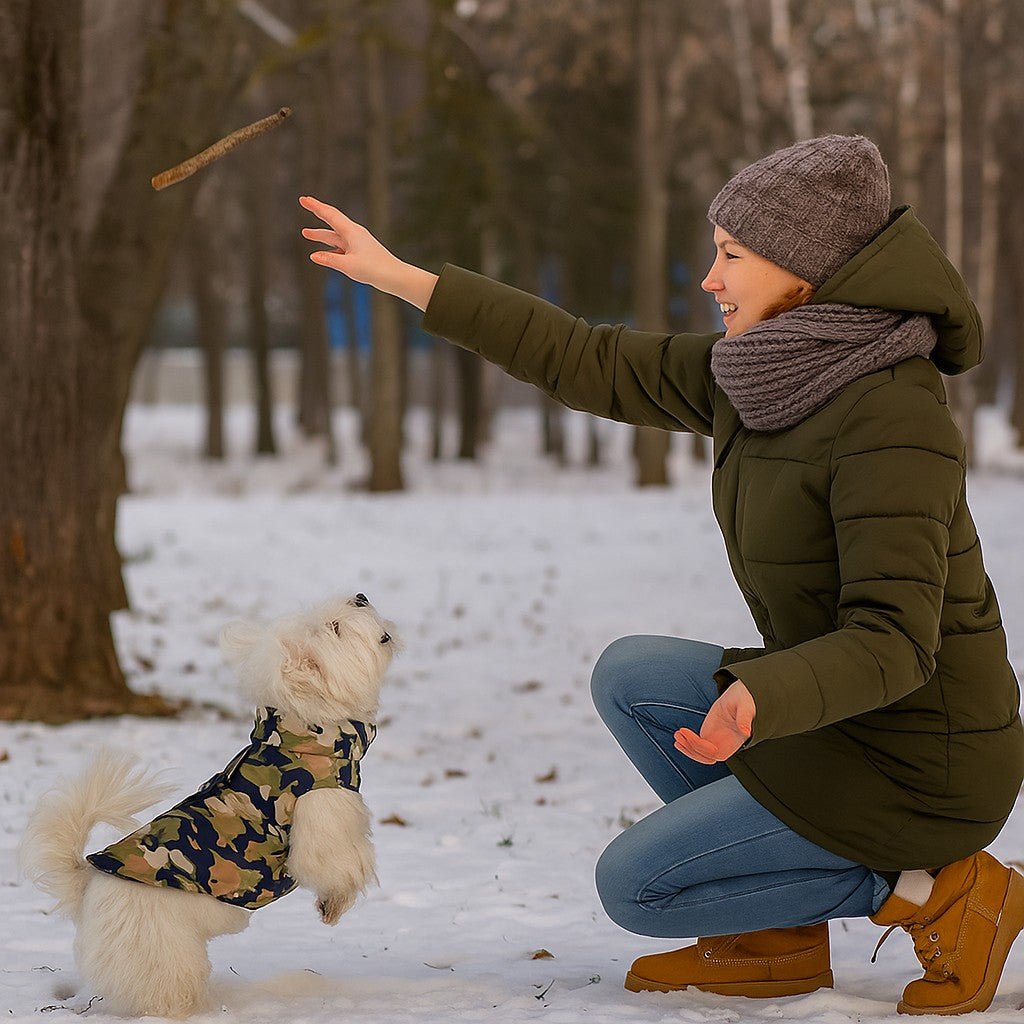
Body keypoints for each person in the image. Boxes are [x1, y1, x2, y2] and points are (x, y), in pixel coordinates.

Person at [298, 133, 1024, 1016]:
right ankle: (781, 939)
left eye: (732, 255)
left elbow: (897, 641)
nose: (711, 279)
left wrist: (765, 694)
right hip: (840, 717)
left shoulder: (890, 414)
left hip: (923, 758)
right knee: (633, 674)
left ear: (804, 269)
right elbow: (587, 359)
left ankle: (942, 892)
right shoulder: (766, 370)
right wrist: (403, 278)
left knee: (640, 886)